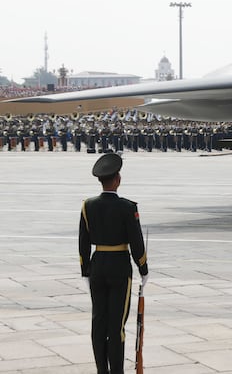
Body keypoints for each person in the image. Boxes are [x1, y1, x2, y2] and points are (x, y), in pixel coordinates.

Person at [79, 153, 149, 374]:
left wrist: (85, 270)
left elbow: (83, 242)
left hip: (97, 264)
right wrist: (143, 267)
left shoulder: (88, 206)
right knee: (116, 325)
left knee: (98, 322)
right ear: (117, 179)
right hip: (119, 265)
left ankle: (102, 370)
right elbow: (136, 241)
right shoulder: (127, 207)